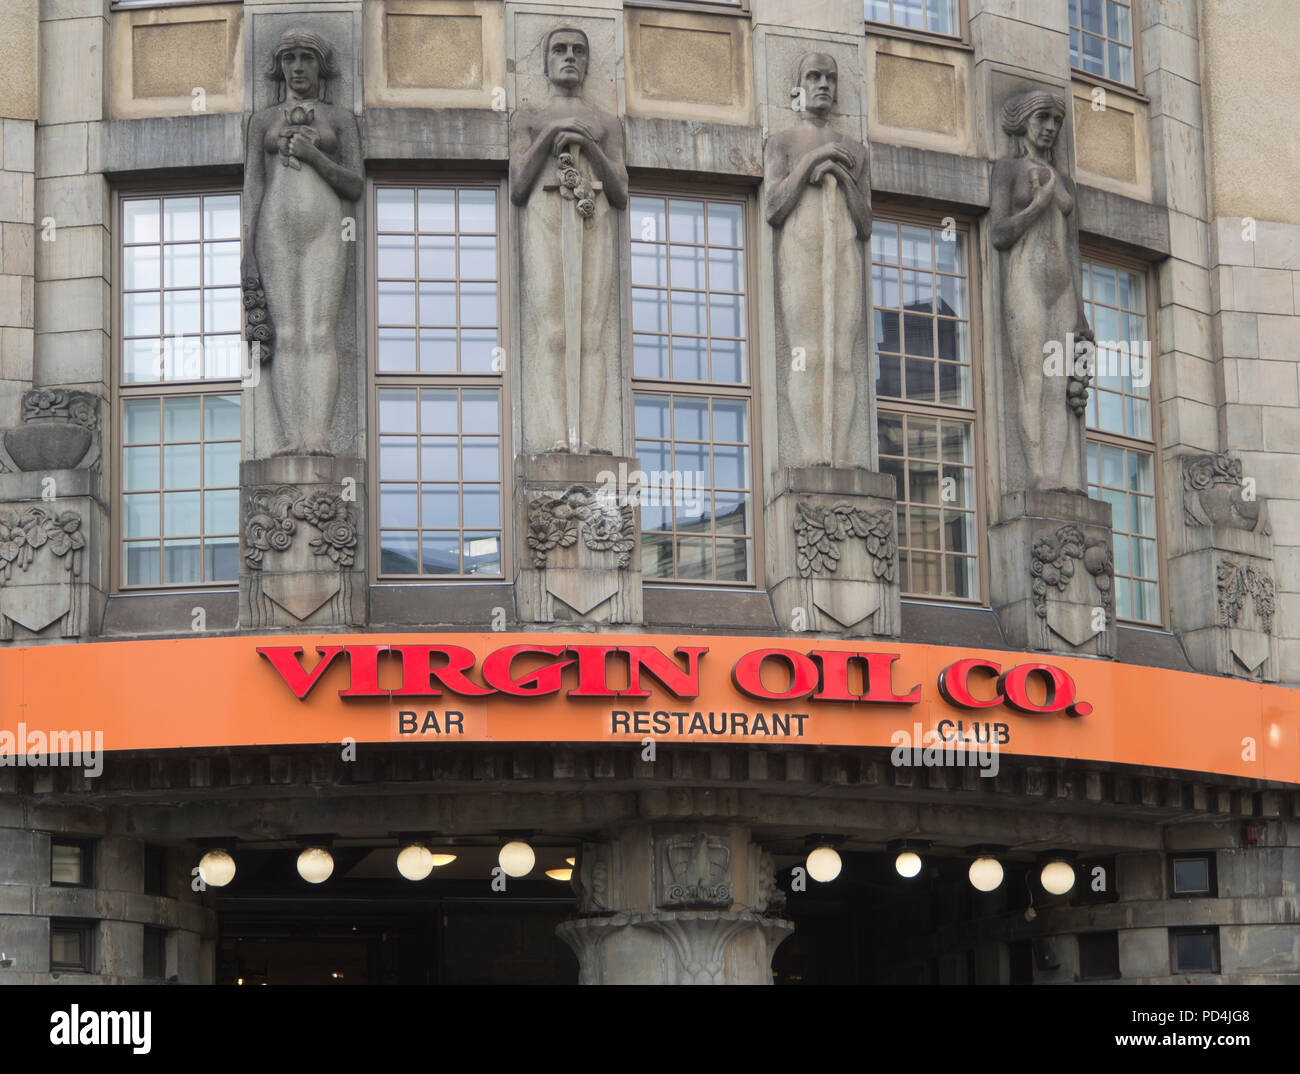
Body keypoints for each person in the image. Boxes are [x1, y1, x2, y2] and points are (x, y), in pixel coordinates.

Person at [243, 30, 363, 457]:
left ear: (320, 66)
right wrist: (246, 253)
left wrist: (315, 156)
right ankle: (293, 435)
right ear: (280, 68)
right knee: (288, 333)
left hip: (326, 229)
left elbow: (354, 183)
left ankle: (318, 434)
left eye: (306, 59)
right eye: (290, 59)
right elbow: (253, 188)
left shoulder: (338, 118)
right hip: (274, 231)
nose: (297, 67)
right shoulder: (263, 121)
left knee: (319, 331)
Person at [510, 27, 628, 453]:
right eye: (559, 49)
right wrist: (550, 136)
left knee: (590, 335)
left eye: (578, 50)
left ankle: (588, 437)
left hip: (591, 222)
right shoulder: (529, 117)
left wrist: (588, 144)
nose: (569, 57)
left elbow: (620, 190)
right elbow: (518, 184)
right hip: (545, 223)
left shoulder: (605, 122)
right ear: (545, 60)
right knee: (555, 331)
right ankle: (559, 434)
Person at [764, 53, 873, 469]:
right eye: (814, 76)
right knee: (807, 352)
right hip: (801, 253)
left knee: (840, 356)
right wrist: (813, 160)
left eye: (829, 77)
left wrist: (842, 176)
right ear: (799, 85)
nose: (823, 84)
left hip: (843, 252)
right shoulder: (784, 143)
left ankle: (840, 453)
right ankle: (812, 450)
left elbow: (865, 223)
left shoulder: (855, 150)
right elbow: (774, 205)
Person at [990, 89, 1094, 492]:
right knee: (1031, 379)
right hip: (1024, 280)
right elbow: (999, 232)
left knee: (1056, 382)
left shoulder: (1065, 180)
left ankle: (1057, 473)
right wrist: (1038, 205)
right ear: (1024, 124)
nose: (1049, 128)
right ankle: (1039, 472)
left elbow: (1071, 248)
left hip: (1063, 289)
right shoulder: (1007, 170)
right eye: (1042, 119)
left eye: (1056, 122)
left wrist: (1082, 312)